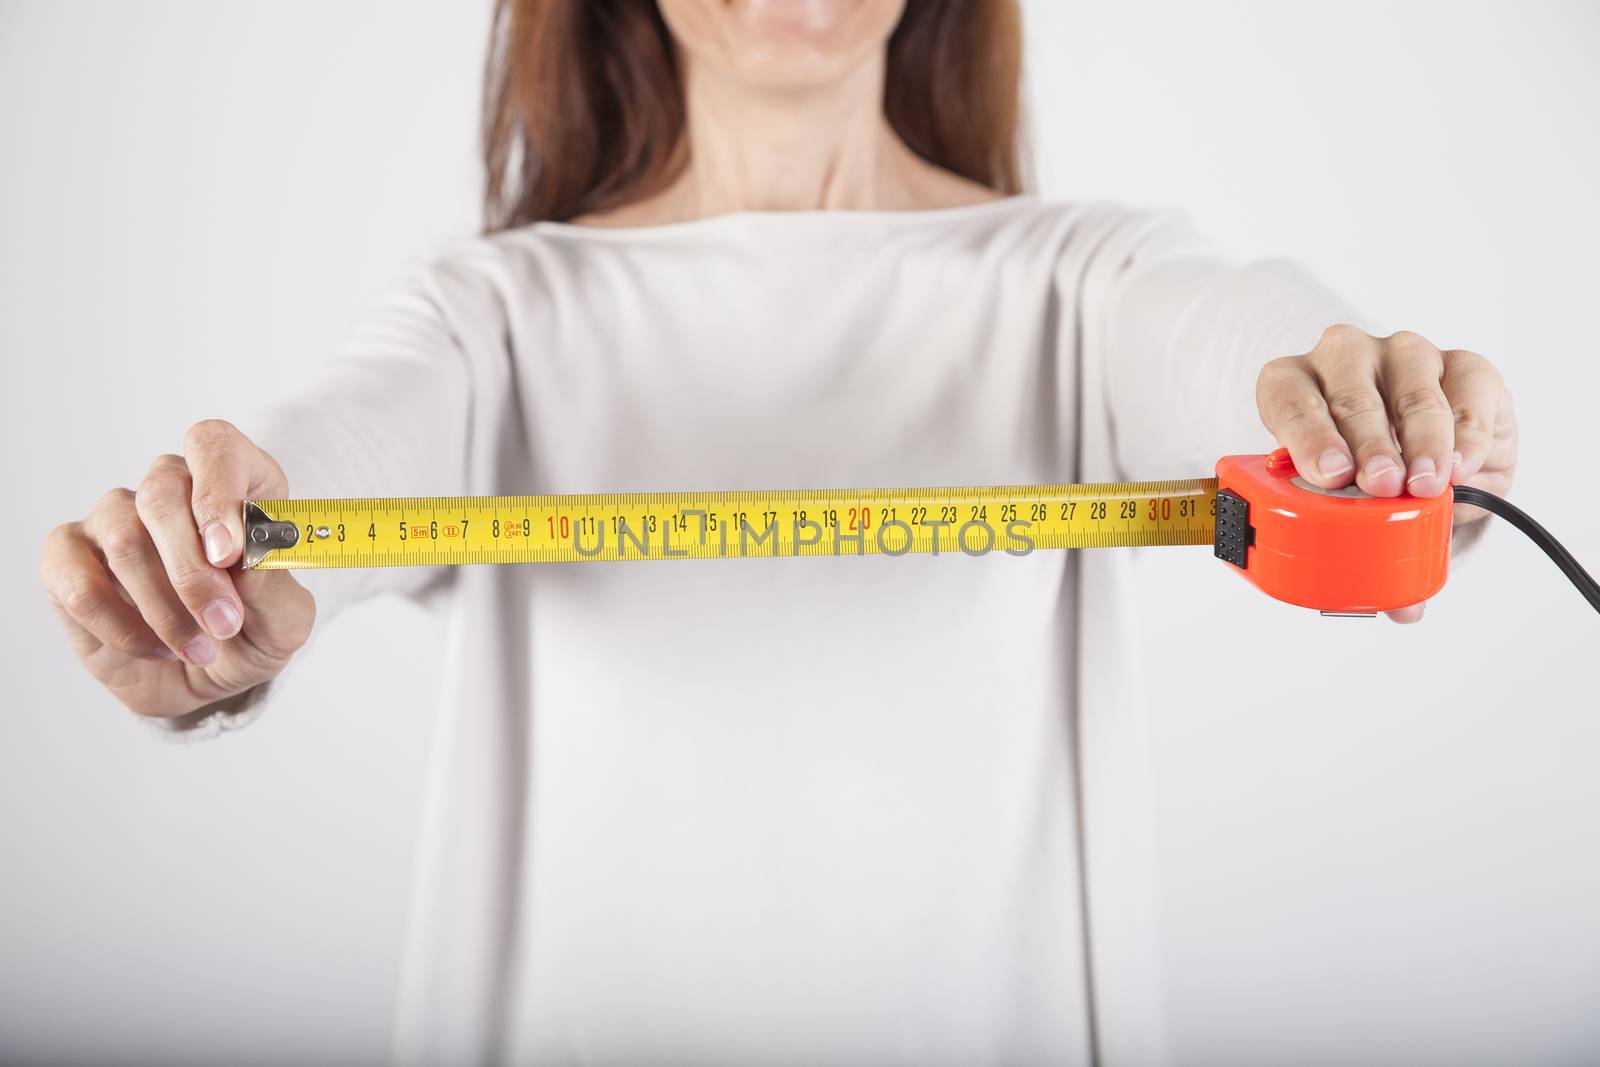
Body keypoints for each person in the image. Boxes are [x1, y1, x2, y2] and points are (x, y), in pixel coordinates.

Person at [39, 1, 1518, 1064]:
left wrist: (1365, 411)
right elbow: (360, 443)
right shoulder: (494, 311)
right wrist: (231, 561)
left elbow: (1227, 334)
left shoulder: (1080, 274)